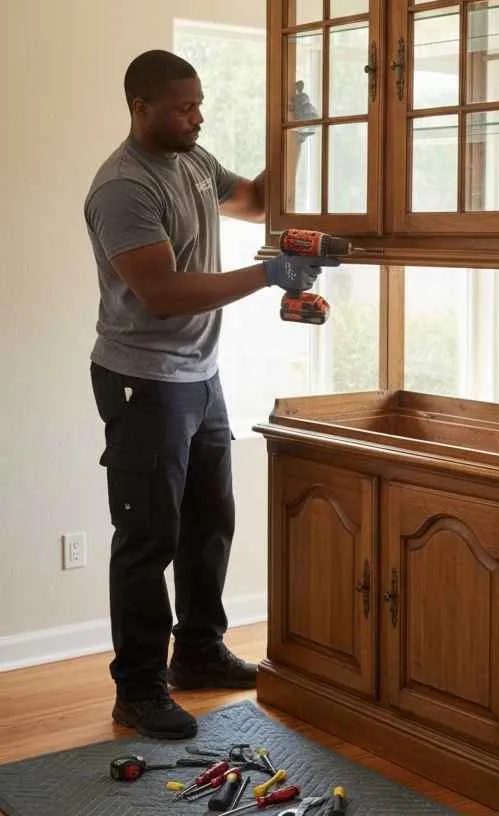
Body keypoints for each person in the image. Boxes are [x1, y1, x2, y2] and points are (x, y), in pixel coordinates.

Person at [84, 49, 335, 739]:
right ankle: (137, 690)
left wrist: (298, 133)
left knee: (209, 519)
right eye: (183, 106)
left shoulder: (192, 160)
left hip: (200, 374)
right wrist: (268, 275)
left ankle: (196, 651)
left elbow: (253, 199)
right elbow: (162, 294)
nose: (197, 115)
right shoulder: (123, 187)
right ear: (141, 108)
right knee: (148, 537)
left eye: (199, 103)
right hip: (143, 380)